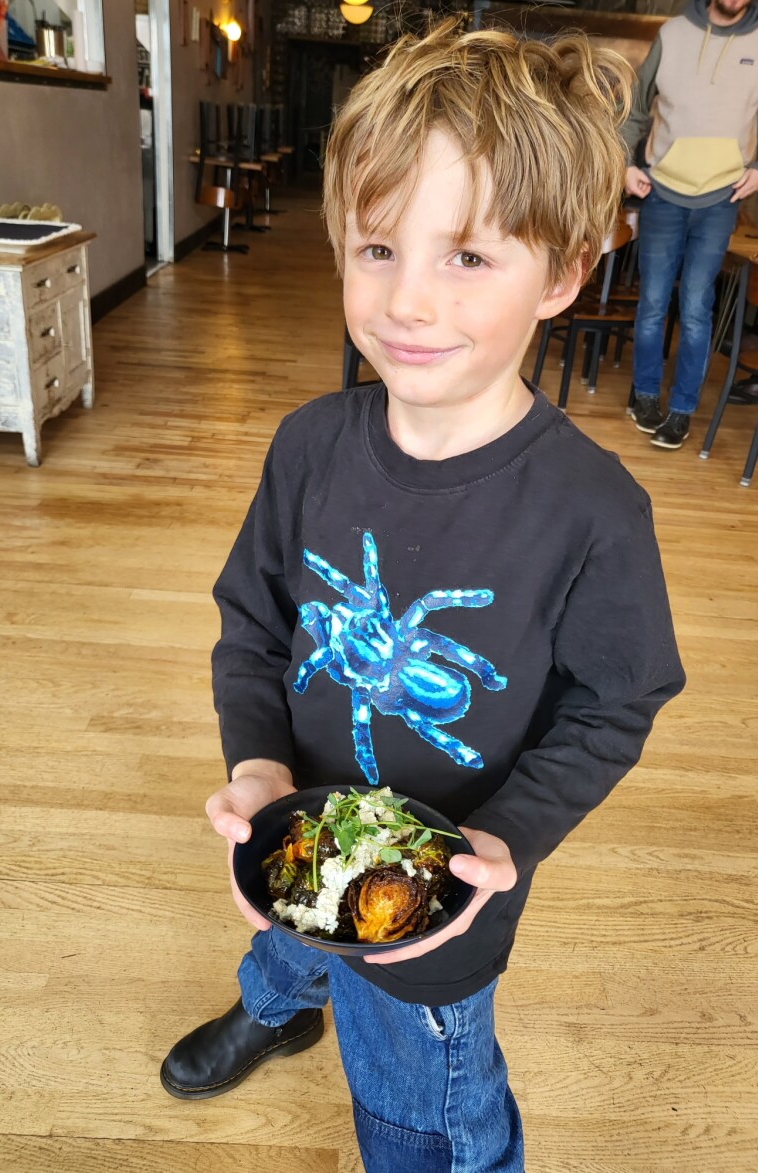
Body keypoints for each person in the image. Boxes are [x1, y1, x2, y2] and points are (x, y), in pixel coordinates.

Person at [159, 21, 686, 1172]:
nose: (408, 300)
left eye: (468, 257)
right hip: (300, 830)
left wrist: (509, 834)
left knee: (425, 1112)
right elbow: (251, 623)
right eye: (377, 247)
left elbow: (614, 702)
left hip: (436, 913)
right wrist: (257, 764)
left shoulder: (595, 514)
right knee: (293, 940)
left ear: (564, 273)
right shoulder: (307, 447)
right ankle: (280, 1002)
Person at [623, 0, 758, 450]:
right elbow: (635, 106)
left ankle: (681, 411)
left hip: (722, 195)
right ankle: (644, 396)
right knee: (653, 303)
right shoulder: (675, 32)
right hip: (662, 190)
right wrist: (624, 162)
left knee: (698, 306)